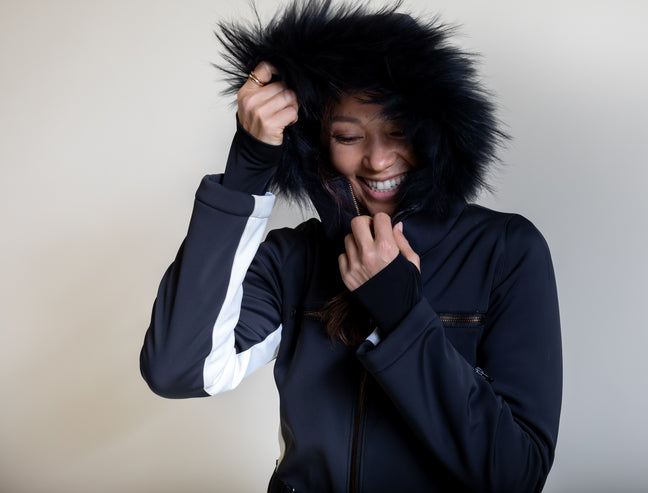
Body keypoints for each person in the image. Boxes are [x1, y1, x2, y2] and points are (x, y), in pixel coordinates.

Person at [140, 1, 562, 491]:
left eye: (399, 131)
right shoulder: (292, 260)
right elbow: (179, 370)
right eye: (347, 135)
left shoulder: (505, 250)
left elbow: (516, 475)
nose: (378, 160)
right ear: (317, 141)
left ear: (437, 132)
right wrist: (246, 171)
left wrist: (403, 316)